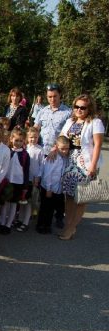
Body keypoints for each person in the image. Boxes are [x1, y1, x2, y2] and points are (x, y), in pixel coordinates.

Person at [59, 94, 104, 240]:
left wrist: (93, 165)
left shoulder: (95, 122)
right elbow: (61, 138)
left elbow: (97, 145)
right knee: (69, 196)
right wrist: (55, 150)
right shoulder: (70, 121)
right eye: (76, 106)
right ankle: (68, 224)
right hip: (70, 162)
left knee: (81, 197)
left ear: (89, 108)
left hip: (85, 163)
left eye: (82, 107)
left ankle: (71, 228)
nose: (79, 110)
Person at [0, 128, 30, 235]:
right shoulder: (7, 151)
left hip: (18, 182)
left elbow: (26, 171)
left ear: (24, 141)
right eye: (16, 140)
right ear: (11, 139)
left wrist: (25, 186)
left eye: (21, 141)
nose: (18, 143)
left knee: (13, 204)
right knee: (5, 203)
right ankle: (2, 222)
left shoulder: (25, 155)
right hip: (6, 181)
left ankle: (8, 224)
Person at [36, 136, 70, 234]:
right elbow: (48, 174)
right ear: (56, 147)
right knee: (44, 207)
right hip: (48, 188)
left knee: (51, 208)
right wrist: (48, 189)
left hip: (57, 188)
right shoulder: (53, 158)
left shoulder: (65, 158)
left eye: (66, 149)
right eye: (62, 149)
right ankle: (40, 225)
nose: (64, 151)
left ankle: (48, 225)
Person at [17, 127, 43, 232]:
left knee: (28, 201)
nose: (33, 139)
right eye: (31, 137)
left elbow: (42, 165)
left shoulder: (40, 150)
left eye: (35, 137)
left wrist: (38, 177)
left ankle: (26, 222)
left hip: (32, 179)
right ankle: (20, 219)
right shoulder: (25, 148)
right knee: (22, 200)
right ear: (27, 137)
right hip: (23, 178)